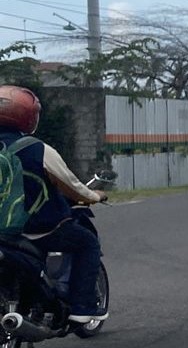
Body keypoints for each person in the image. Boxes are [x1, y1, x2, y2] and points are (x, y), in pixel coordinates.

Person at [0, 85, 108, 323]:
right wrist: (94, 196)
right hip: (37, 230)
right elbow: (70, 185)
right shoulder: (37, 149)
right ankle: (82, 306)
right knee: (87, 243)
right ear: (28, 117)